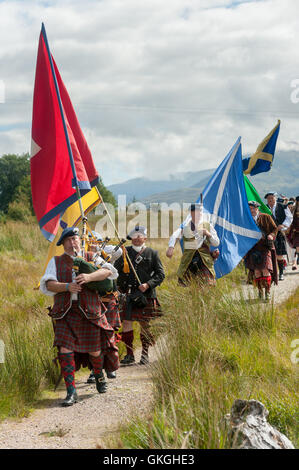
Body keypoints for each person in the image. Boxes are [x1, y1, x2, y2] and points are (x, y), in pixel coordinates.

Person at [40, 227, 119, 406]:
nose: (72, 242)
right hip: (65, 312)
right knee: (64, 350)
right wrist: (67, 287)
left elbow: (108, 272)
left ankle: (98, 374)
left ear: (80, 240)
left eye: (75, 239)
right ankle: (71, 391)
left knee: (95, 350)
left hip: (90, 312)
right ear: (63, 244)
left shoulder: (91, 257)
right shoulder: (56, 261)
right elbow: (49, 284)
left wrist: (90, 277)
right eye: (68, 240)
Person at [114, 225, 165, 366]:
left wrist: (148, 284)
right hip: (128, 294)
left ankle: (145, 354)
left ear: (145, 238)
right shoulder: (124, 252)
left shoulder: (152, 253)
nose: (136, 238)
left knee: (145, 324)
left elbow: (161, 275)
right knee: (126, 323)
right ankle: (130, 354)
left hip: (146, 295)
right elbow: (115, 271)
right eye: (134, 236)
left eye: (139, 235)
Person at [86, 231, 122, 383]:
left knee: (109, 335)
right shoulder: (83, 257)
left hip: (108, 300)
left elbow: (119, 251)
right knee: (93, 338)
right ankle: (95, 370)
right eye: (90, 242)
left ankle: (110, 368)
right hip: (92, 302)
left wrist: (99, 249)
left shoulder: (107, 256)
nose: (93, 244)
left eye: (96, 241)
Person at [166, 203, 220, 286]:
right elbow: (175, 235)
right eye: (195, 212)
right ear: (191, 213)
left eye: (199, 212)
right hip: (188, 260)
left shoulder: (208, 226)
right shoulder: (185, 227)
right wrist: (171, 247)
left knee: (207, 285)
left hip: (204, 261)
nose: (198, 214)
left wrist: (208, 234)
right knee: (186, 286)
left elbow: (216, 243)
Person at [244, 201, 278, 301]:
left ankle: (267, 293)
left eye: (253, 209)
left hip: (265, 248)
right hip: (252, 249)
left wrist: (271, 235)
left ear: (257, 208)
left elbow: (274, 229)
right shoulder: (247, 220)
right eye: (249, 209)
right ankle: (260, 292)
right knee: (257, 272)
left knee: (265, 270)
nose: (252, 211)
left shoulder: (266, 217)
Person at [265, 192, 292, 280]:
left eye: (272, 198)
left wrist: (283, 225)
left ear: (275, 198)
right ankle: (273, 274)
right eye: (268, 198)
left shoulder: (282, 206)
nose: (270, 200)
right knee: (270, 254)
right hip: (269, 234)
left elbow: (289, 217)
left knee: (279, 254)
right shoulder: (264, 208)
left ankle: (281, 273)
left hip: (279, 233)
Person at [286, 196, 299, 271]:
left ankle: (295, 262)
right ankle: (294, 263)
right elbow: (290, 220)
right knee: (297, 248)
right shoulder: (293, 210)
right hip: (296, 233)